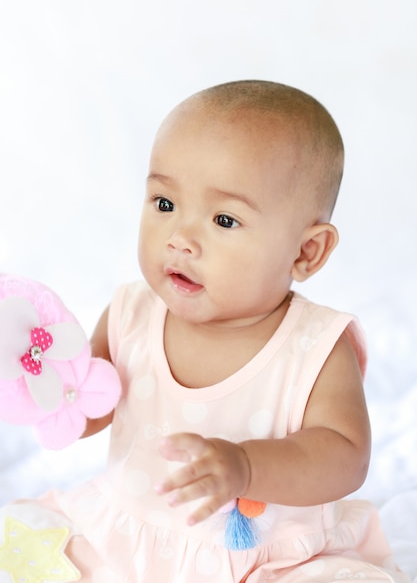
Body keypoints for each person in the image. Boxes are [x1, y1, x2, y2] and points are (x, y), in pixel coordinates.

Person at [0, 80, 409, 582]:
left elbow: (345, 456)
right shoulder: (131, 313)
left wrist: (246, 466)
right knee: (27, 545)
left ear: (306, 252)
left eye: (223, 219)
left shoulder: (315, 346)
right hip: (129, 535)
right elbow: (87, 409)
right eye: (165, 203)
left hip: (270, 556)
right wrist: (41, 389)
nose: (180, 239)